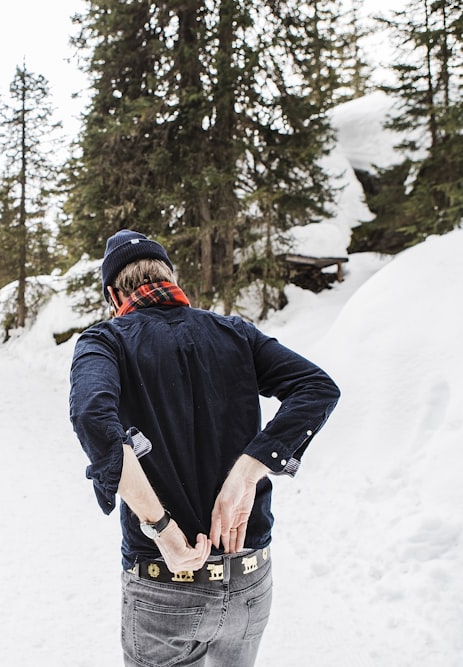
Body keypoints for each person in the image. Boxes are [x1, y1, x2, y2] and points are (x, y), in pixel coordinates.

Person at [69, 229, 340, 667]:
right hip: (249, 578)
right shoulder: (235, 333)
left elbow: (92, 419)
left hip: (164, 582)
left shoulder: (105, 341)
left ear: (112, 293)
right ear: (170, 278)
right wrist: (249, 470)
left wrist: (162, 528)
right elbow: (316, 388)